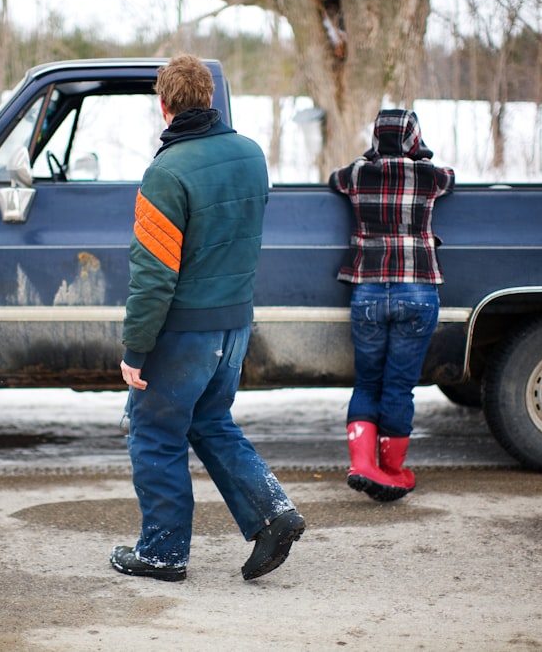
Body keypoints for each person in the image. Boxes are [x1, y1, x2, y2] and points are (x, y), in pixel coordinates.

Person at [111, 54, 305, 582]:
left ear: (164, 104)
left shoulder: (166, 172)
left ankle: (163, 553)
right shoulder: (251, 155)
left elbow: (153, 276)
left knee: (154, 432)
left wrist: (135, 349)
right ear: (210, 100)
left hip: (184, 332)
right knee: (209, 421)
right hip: (234, 326)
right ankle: (273, 513)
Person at [328, 109, 455, 502]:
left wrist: (369, 158)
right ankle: (392, 470)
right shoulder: (431, 177)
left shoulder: (357, 175)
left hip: (367, 291)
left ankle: (362, 465)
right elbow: (450, 177)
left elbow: (335, 178)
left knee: (367, 381)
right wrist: (419, 156)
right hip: (416, 291)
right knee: (399, 386)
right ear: (413, 139)